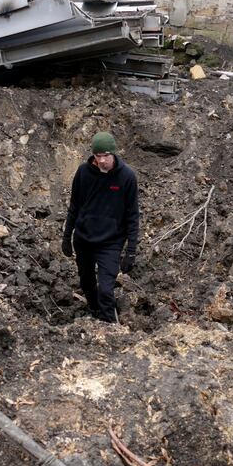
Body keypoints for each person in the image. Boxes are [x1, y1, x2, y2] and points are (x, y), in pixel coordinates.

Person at [61, 132, 139, 323]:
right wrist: (67, 236)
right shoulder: (83, 173)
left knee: (106, 289)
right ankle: (94, 312)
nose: (102, 160)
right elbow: (74, 206)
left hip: (110, 243)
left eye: (106, 155)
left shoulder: (127, 177)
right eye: (98, 156)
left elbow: (132, 216)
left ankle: (109, 327)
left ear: (113, 153)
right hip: (84, 240)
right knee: (86, 282)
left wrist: (131, 251)